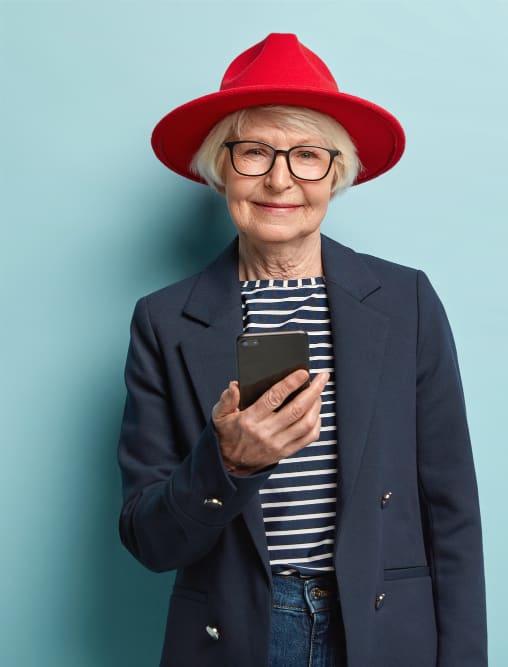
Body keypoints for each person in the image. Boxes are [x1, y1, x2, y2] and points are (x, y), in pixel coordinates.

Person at [117, 33, 487, 667]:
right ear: (219, 169)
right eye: (254, 152)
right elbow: (148, 540)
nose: (280, 180)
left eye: (308, 155)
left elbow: (451, 509)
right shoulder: (163, 321)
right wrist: (227, 463)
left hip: (382, 630)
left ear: (337, 172)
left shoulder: (406, 302)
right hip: (237, 634)